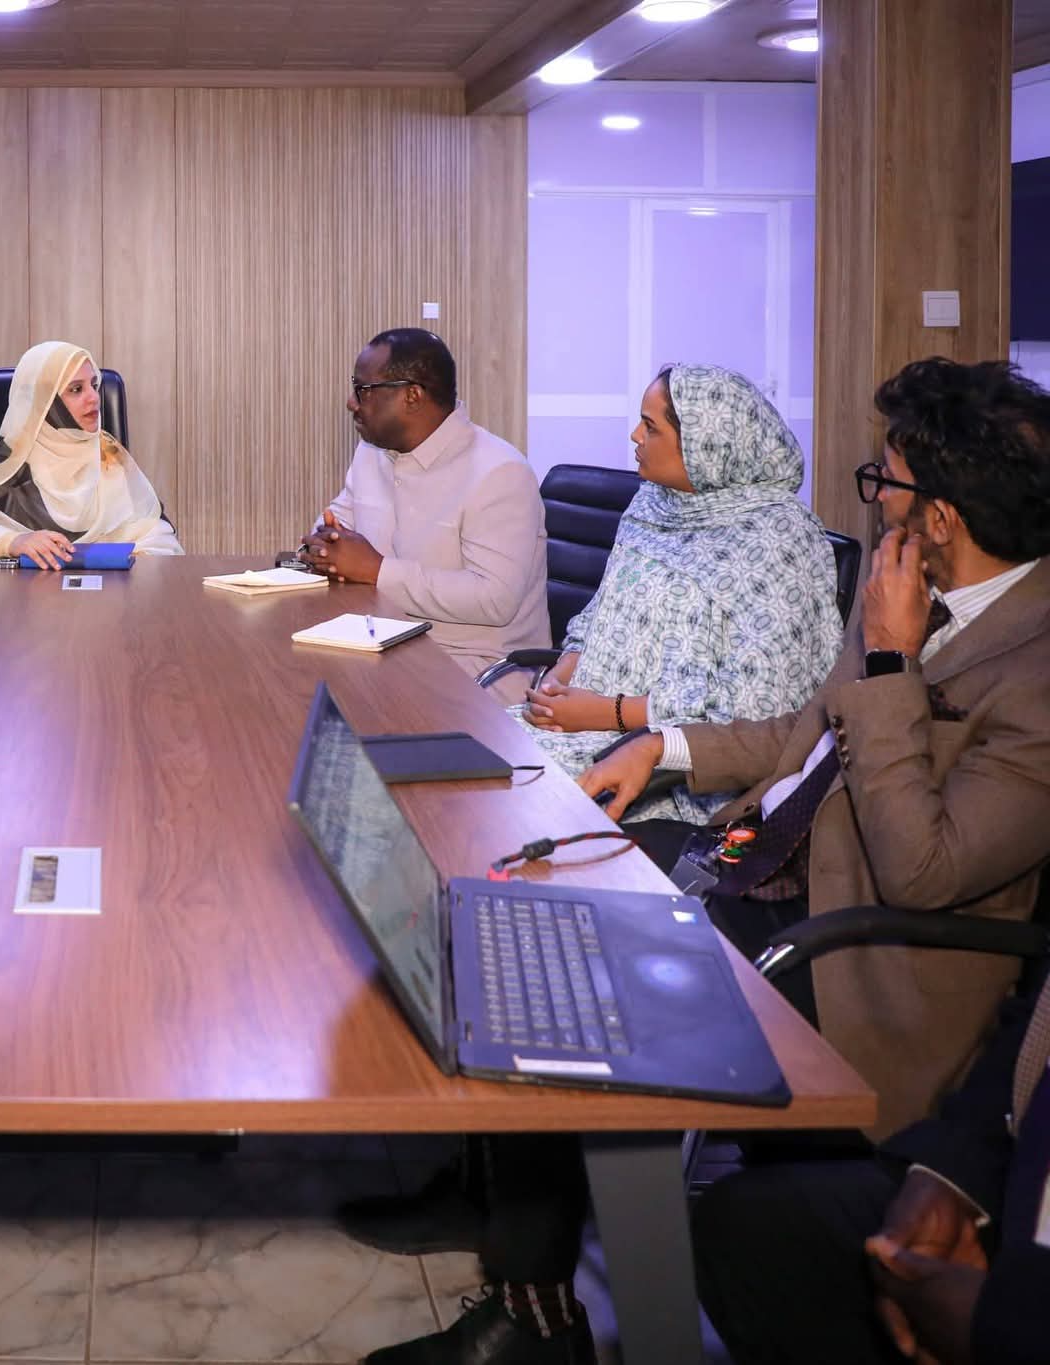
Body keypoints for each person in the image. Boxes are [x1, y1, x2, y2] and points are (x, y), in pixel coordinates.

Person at [351, 357, 1050, 1365]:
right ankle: (515, 1255)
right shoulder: (913, 586)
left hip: (854, 956)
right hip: (757, 866)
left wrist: (890, 663)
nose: (873, 497)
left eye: (885, 480)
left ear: (938, 515)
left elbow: (923, 873)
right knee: (523, 904)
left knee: (564, 960)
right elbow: (794, 738)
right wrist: (661, 747)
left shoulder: (1027, 666)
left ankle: (534, 1319)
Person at [515, 365, 841, 823]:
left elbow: (756, 708)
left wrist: (607, 713)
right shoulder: (651, 502)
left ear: (706, 444)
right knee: (470, 761)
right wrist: (559, 681)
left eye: (650, 427)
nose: (635, 436)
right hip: (582, 720)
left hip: (672, 765)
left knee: (512, 806)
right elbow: (601, 615)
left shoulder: (779, 539)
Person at [693, 971, 1050, 1365]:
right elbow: (1035, 1031)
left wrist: (1002, 1326)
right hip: (1016, 1187)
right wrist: (949, 1175)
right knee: (745, 1225)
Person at [302, 329, 548, 702]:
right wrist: (324, 548)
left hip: (477, 668)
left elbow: (494, 599)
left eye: (363, 390)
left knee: (324, 700)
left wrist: (376, 570)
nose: (352, 403)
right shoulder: (373, 453)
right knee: (283, 674)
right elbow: (334, 525)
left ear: (412, 396)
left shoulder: (500, 472)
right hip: (381, 643)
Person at [0, 341, 182, 566]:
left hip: (108, 602)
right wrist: (13, 542)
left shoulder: (108, 456)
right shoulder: (7, 465)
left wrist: (134, 562)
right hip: (23, 601)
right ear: (45, 403)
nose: (94, 398)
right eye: (76, 389)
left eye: (93, 385)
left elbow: (159, 536)